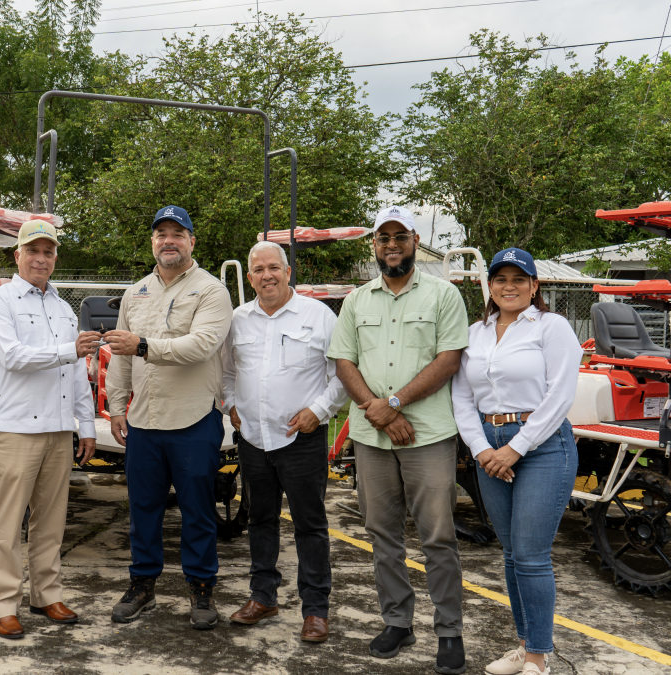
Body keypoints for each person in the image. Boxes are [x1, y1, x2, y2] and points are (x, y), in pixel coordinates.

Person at [326, 205, 470, 675]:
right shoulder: (356, 300)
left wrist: (397, 402)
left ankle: (448, 630)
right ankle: (397, 622)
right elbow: (343, 361)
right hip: (372, 435)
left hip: (427, 434)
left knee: (438, 536)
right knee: (382, 535)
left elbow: (449, 359)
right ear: (374, 244)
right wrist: (380, 411)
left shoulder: (443, 295)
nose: (391, 244)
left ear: (414, 240)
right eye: (382, 237)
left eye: (400, 236)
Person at [451, 248, 581, 675]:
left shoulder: (552, 327)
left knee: (531, 555)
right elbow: (462, 398)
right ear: (489, 286)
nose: (510, 286)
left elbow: (559, 396)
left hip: (542, 446)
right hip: (490, 445)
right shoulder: (476, 333)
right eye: (501, 278)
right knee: (510, 555)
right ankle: (524, 646)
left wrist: (516, 448)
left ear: (534, 285)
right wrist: (482, 449)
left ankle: (539, 659)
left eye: (519, 279)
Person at [104, 205, 233, 631]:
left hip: (193, 418)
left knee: (198, 512)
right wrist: (118, 406)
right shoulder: (136, 292)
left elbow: (201, 346)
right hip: (144, 421)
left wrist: (142, 345)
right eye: (161, 234)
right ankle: (142, 584)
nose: (169, 241)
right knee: (143, 511)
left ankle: (201, 588)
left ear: (192, 241)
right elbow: (119, 358)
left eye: (178, 233)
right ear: (153, 243)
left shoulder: (212, 291)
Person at [0, 220, 100, 639]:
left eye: (48, 252)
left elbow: (77, 374)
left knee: (51, 521)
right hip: (15, 429)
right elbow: (12, 357)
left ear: (55, 258)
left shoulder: (64, 309)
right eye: (33, 251)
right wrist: (71, 349)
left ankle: (46, 593)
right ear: (17, 255)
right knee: (8, 522)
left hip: (58, 428)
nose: (41, 259)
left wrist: (86, 425)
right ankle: (2, 603)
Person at [221, 241, 348, 642]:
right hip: (254, 438)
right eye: (258, 270)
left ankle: (315, 610)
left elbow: (342, 374)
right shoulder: (237, 319)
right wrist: (229, 405)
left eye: (273, 267)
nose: (266, 276)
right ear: (250, 276)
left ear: (288, 271)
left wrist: (319, 412)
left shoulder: (318, 316)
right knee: (259, 519)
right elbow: (223, 372)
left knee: (310, 524)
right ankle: (263, 596)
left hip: (302, 438)